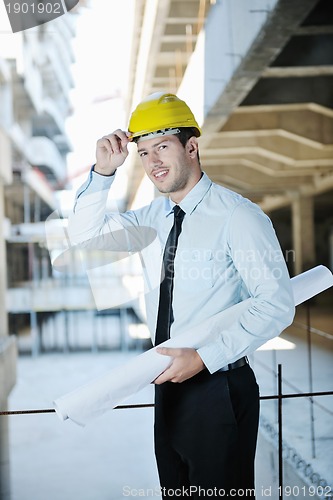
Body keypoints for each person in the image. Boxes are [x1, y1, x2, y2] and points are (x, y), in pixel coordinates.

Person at [67, 92, 295, 498]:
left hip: (219, 386)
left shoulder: (238, 216)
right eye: (143, 153)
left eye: (163, 147)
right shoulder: (152, 218)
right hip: (168, 387)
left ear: (191, 147)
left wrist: (204, 358)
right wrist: (103, 172)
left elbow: (275, 304)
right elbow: (86, 236)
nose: (153, 162)